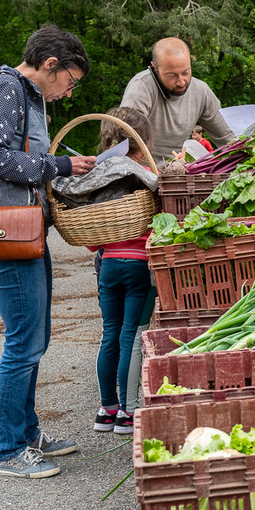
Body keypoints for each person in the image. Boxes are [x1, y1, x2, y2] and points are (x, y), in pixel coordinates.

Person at [0, 24, 97, 478]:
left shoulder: (27, 94)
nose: (68, 91)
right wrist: (56, 165)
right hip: (5, 232)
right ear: (50, 65)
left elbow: (16, 155)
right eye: (69, 81)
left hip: (25, 229)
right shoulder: (7, 88)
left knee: (34, 338)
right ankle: (8, 450)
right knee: (22, 342)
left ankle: (27, 432)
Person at [87, 107, 158, 435]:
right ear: (142, 143)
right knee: (132, 335)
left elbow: (91, 238)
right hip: (138, 265)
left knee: (110, 333)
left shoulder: (100, 176)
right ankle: (128, 414)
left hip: (108, 265)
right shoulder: (145, 175)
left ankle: (107, 409)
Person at [119, 37, 234, 159]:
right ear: (154, 68)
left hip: (179, 170)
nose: (181, 82)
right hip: (142, 171)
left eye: (185, 73)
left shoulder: (201, 91)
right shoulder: (141, 87)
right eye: (172, 75)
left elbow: (227, 139)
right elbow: (126, 138)